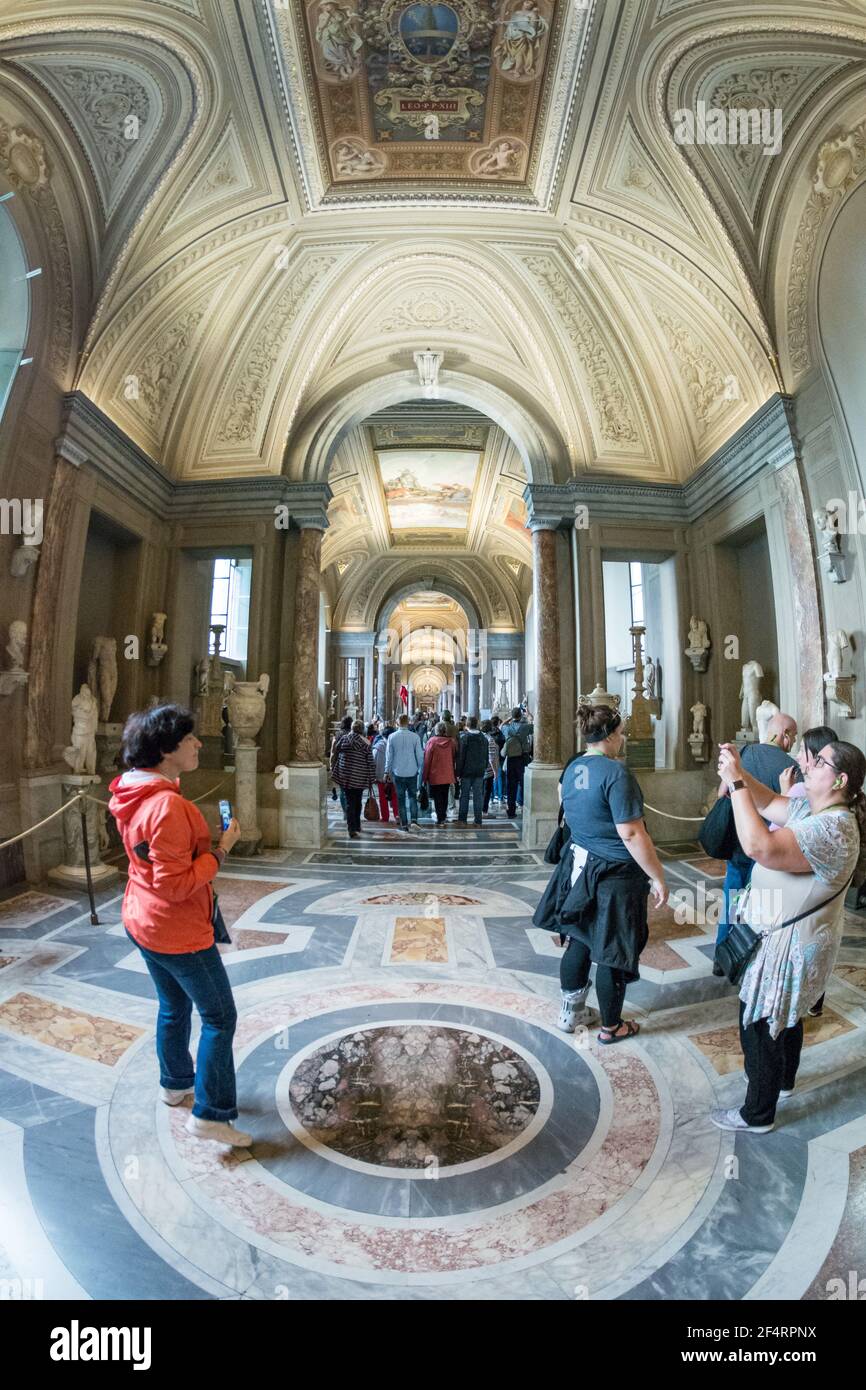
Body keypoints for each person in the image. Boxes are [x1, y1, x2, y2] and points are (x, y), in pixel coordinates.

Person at [108, 704, 251, 1147]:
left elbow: (156, 869)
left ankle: (175, 1083)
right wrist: (221, 849)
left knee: (173, 1006)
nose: (198, 744)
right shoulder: (168, 806)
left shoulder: (131, 791)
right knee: (220, 1016)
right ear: (167, 750)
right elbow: (176, 886)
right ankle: (211, 1113)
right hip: (175, 928)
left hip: (142, 916)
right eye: (189, 739)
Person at [711, 738, 864, 1133]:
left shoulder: (834, 828)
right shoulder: (812, 809)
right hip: (786, 937)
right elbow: (765, 803)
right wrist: (740, 772)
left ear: (840, 779)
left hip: (788, 945)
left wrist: (736, 784)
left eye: (819, 762)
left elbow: (759, 845)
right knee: (787, 1015)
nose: (807, 764)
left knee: (760, 1024)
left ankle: (756, 1114)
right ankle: (782, 1082)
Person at [533, 704, 667, 1042]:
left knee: (578, 939)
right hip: (616, 873)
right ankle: (611, 1026)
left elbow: (564, 802)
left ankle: (571, 1011)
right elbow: (632, 833)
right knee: (612, 951)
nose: (622, 739)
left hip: (579, 866)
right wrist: (658, 876)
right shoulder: (616, 773)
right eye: (621, 733)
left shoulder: (575, 766)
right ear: (609, 736)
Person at [714, 712, 799, 970]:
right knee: (758, 907)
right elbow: (793, 813)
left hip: (739, 841)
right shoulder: (790, 767)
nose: (793, 742)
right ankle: (746, 960)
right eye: (793, 736)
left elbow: (722, 793)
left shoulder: (746, 753)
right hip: (768, 848)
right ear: (784, 734)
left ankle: (721, 956)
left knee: (732, 897)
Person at [331, 718, 375, 839]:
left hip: (346, 776)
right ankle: (356, 825)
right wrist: (372, 777)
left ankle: (352, 827)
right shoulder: (365, 743)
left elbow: (336, 752)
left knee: (350, 802)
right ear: (362, 730)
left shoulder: (344, 739)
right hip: (359, 777)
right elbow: (370, 762)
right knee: (358, 801)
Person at [385, 713, 423, 832]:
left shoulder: (392, 737)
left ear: (398, 723)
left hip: (398, 772)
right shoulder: (415, 737)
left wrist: (387, 771)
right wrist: (419, 768)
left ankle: (404, 824)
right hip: (412, 772)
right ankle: (414, 820)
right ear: (408, 723)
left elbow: (389, 757)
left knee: (400, 799)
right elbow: (420, 756)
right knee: (412, 797)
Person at [456, 715, 491, 826]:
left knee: (465, 796)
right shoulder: (484, 739)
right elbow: (486, 756)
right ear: (477, 724)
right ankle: (478, 820)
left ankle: (462, 819)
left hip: (466, 771)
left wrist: (458, 772)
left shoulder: (465, 738)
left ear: (467, 725)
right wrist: (484, 767)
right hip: (479, 771)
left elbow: (461, 757)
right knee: (478, 796)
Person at [500, 706, 533, 818]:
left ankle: (511, 811)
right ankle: (524, 807)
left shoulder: (507, 729)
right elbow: (536, 727)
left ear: (513, 716)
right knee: (524, 783)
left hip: (511, 759)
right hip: (523, 757)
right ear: (520, 715)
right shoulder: (525, 727)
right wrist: (528, 715)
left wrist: (510, 718)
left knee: (511, 785)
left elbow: (501, 726)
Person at [422, 721, 456, 826]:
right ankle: (443, 816)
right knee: (445, 795)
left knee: (437, 797)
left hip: (435, 774)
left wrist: (424, 776)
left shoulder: (432, 742)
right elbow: (454, 756)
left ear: (436, 730)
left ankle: (440, 817)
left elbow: (427, 760)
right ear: (445, 730)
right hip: (447, 773)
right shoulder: (451, 742)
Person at [372, 724, 399, 822]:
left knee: (382, 798)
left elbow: (373, 762)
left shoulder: (377, 747)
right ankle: (397, 815)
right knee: (395, 797)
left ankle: (385, 817)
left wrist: (373, 776)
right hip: (394, 775)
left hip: (381, 776)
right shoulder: (396, 747)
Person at [329, 714, 352, 817]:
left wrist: (331, 765)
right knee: (351, 790)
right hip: (352, 765)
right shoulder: (353, 735)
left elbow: (333, 753)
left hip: (340, 765)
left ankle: (345, 812)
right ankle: (351, 810)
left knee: (343, 790)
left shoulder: (337, 735)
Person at [482, 718, 500, 814]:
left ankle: (480, 809)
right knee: (487, 790)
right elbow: (491, 757)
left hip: (479, 768)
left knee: (480, 791)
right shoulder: (490, 739)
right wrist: (495, 771)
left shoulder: (480, 737)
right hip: (488, 769)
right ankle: (484, 810)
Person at [491, 715, 505, 806]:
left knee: (492, 777)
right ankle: (500, 797)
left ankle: (493, 797)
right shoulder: (500, 733)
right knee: (499, 777)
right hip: (499, 757)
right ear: (498, 723)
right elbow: (504, 743)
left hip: (491, 757)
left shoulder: (489, 734)